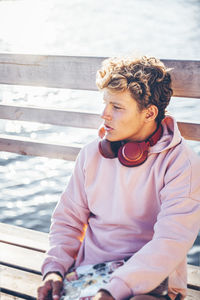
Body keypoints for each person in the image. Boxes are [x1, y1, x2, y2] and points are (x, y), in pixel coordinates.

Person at [37, 55, 200, 300]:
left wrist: (114, 289)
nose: (105, 114)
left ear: (149, 113)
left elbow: (171, 240)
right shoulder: (91, 154)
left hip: (151, 283)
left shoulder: (181, 164)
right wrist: (54, 269)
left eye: (117, 107)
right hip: (88, 274)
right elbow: (67, 221)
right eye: (105, 103)